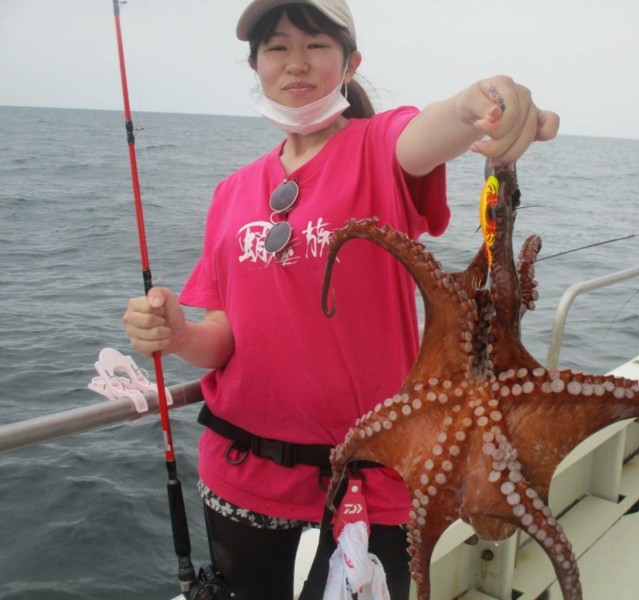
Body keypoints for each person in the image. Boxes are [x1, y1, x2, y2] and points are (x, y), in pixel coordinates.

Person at [122, 1, 559, 598]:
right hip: (242, 470)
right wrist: (177, 335)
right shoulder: (231, 192)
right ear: (256, 66)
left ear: (351, 63)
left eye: (316, 45)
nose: (295, 63)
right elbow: (222, 335)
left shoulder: (379, 147)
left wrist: (481, 100)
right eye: (277, 47)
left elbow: (436, 127)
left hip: (374, 475)